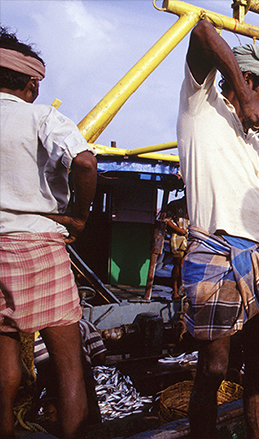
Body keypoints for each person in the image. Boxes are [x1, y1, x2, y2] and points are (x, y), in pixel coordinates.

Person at [176, 20, 259, 439]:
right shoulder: (201, 104)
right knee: (214, 367)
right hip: (214, 249)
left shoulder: (258, 140)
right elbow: (201, 32)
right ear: (245, 80)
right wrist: (245, 99)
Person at [0, 27, 97, 439]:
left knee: (4, 369)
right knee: (68, 365)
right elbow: (86, 163)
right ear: (32, 83)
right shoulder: (42, 117)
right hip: (39, 244)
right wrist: (78, 216)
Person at [34, 318, 107, 426]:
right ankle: (94, 427)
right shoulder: (84, 325)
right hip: (77, 375)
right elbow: (100, 358)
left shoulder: (31, 335)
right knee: (89, 403)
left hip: (48, 378)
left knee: (56, 408)